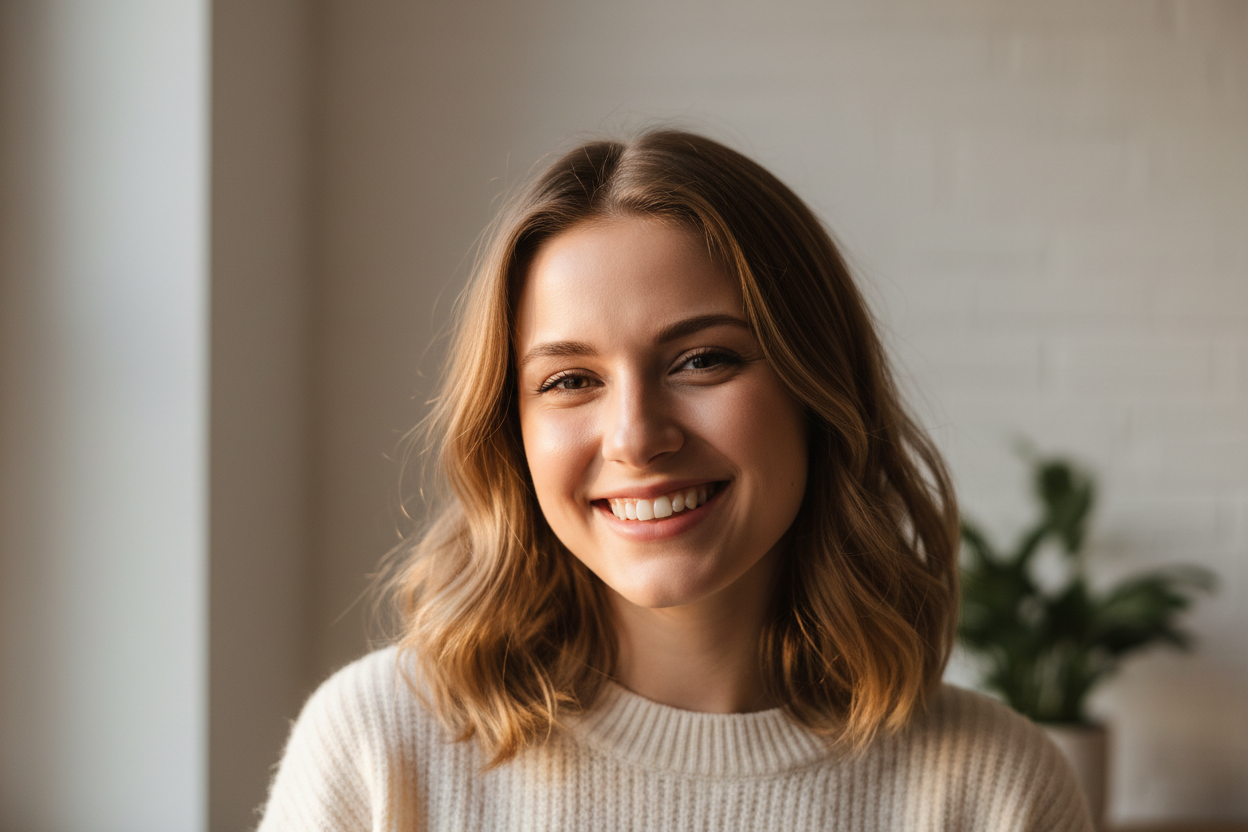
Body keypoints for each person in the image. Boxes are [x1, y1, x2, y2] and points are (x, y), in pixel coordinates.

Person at [258, 130, 1094, 831]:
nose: (636, 438)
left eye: (703, 360)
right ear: (511, 433)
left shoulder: (998, 791)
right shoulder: (378, 748)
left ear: (818, 390)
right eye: (569, 380)